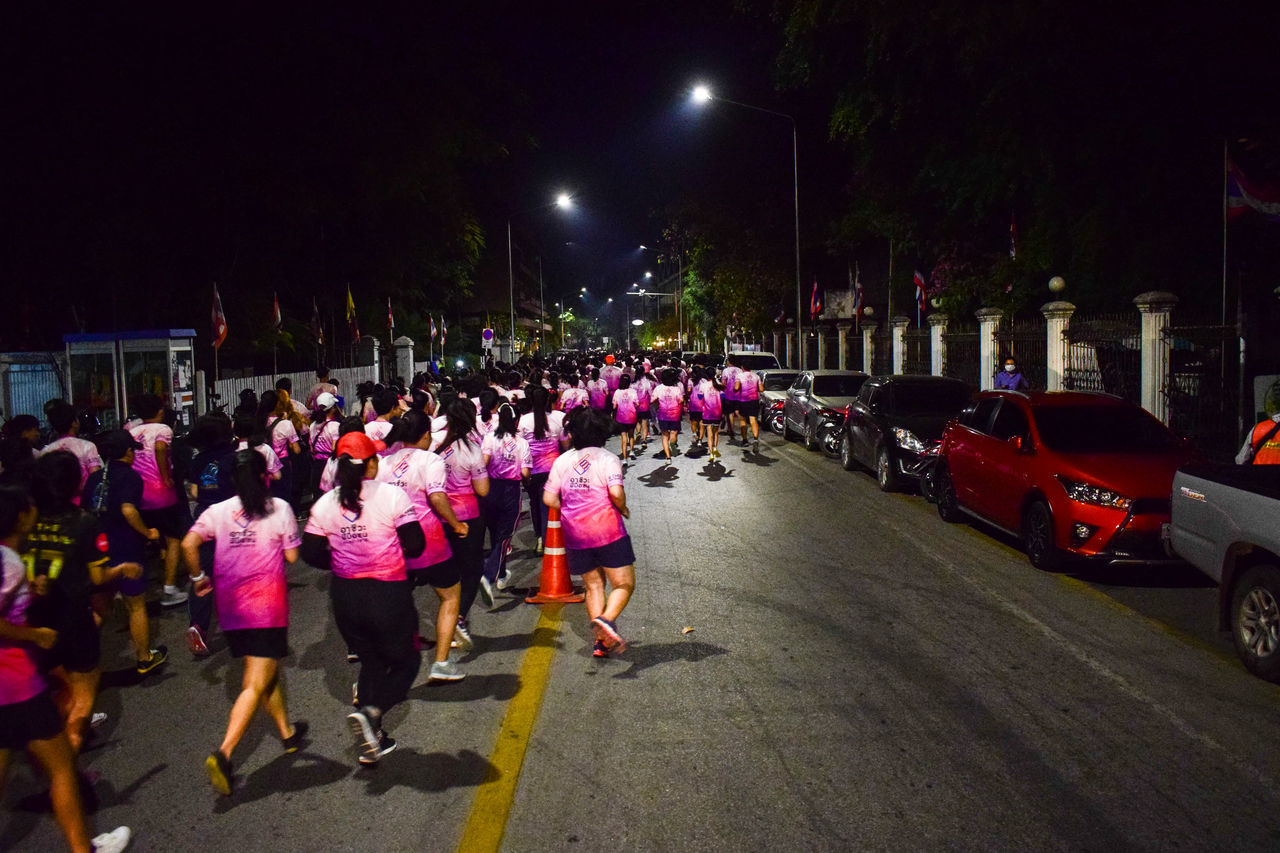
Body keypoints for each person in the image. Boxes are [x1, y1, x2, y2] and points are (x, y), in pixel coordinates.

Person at [0, 485, 133, 853]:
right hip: (16, 682)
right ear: (20, 517)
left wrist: (32, 590)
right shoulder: (9, 561)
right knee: (61, 772)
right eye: (29, 507)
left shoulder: (11, 559)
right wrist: (34, 634)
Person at [181, 450, 306, 795]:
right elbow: (293, 555)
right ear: (265, 475)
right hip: (267, 606)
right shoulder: (279, 508)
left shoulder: (216, 512)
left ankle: (287, 733)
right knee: (254, 681)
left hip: (231, 607)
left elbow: (189, 543)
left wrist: (198, 579)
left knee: (265, 671)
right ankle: (224, 754)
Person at [302, 433, 425, 765]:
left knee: (371, 663)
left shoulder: (325, 503)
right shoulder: (391, 496)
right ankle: (372, 714)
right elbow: (415, 545)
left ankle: (375, 741)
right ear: (372, 462)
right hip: (387, 593)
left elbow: (310, 553)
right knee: (406, 662)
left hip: (346, 597)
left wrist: (343, 559)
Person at [25, 452, 153, 758]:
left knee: (57, 690)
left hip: (33, 618)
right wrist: (124, 569)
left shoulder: (27, 519)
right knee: (83, 697)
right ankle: (64, 770)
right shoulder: (83, 522)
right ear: (74, 484)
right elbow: (97, 577)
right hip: (72, 616)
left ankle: (50, 753)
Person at [377, 411, 468, 683]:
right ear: (426, 434)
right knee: (451, 597)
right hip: (428, 538)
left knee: (397, 603)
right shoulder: (431, 460)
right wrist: (457, 525)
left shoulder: (384, 463)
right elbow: (437, 497)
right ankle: (441, 662)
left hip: (394, 541)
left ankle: (379, 670)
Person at [543, 409, 635, 658]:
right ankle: (606, 620)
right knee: (624, 584)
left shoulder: (562, 461)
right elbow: (615, 493)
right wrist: (623, 508)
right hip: (608, 531)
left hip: (574, 533)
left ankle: (601, 642)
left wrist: (572, 510)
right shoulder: (608, 458)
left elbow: (549, 497)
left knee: (593, 586)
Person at [82, 431, 164, 676]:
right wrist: (148, 533)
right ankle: (144, 657)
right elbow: (129, 510)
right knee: (136, 605)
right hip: (125, 546)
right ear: (128, 452)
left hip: (97, 547)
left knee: (99, 607)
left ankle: (82, 659)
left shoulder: (95, 478)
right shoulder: (130, 477)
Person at [433, 398, 490, 649]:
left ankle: (449, 614)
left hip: (438, 514)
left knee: (448, 570)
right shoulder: (472, 449)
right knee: (471, 570)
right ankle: (458, 617)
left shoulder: (434, 444)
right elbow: (483, 489)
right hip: (467, 516)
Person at [127, 394, 187, 607]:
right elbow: (161, 448)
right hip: (161, 494)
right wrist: (165, 477)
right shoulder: (163, 430)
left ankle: (132, 587)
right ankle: (169, 588)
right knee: (172, 539)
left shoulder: (131, 432)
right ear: (159, 411)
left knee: (139, 539)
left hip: (137, 493)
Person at [479, 403, 530, 598]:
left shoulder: (490, 438)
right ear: (516, 420)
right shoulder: (522, 443)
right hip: (511, 491)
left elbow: (483, 463)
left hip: (491, 488)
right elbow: (525, 471)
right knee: (505, 535)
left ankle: (501, 575)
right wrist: (527, 479)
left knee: (495, 536)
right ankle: (489, 574)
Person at [518, 387, 567, 551]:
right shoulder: (559, 418)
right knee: (549, 505)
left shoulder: (524, 420)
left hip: (531, 470)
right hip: (553, 469)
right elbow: (566, 444)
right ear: (549, 400)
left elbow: (519, 446)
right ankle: (549, 538)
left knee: (534, 504)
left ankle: (540, 537)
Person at [37, 401, 102, 506]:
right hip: (83, 504)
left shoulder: (46, 451)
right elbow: (94, 478)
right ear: (74, 422)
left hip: (55, 505)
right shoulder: (87, 446)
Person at [653, 368, 686, 464]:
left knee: (664, 435)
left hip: (662, 415)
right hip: (675, 414)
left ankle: (668, 458)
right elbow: (681, 400)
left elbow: (652, 400)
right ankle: (673, 443)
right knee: (674, 433)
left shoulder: (658, 388)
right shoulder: (677, 389)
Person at [735, 363, 763, 453]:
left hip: (743, 401)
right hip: (754, 400)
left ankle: (745, 440)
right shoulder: (756, 376)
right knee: (753, 420)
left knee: (742, 420)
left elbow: (737, 387)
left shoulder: (739, 376)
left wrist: (735, 390)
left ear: (742, 367)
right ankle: (755, 439)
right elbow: (761, 389)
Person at [697, 370, 724, 459]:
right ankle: (715, 448)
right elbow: (723, 397)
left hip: (707, 411)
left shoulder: (703, 385)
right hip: (717, 411)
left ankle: (711, 453)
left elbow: (700, 397)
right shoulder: (718, 383)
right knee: (716, 432)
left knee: (709, 433)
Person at [613, 375, 639, 461]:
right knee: (631, 435)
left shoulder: (617, 392)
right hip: (631, 416)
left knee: (623, 438)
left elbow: (614, 406)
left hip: (621, 417)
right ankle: (631, 451)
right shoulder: (633, 391)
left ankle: (624, 459)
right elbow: (637, 404)